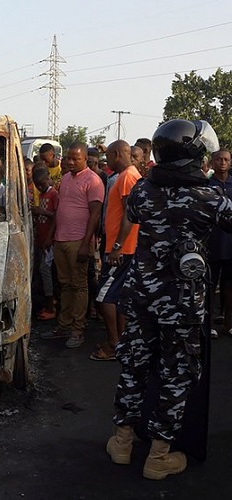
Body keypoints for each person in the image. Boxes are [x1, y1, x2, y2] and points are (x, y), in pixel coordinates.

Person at [106, 119, 232, 480]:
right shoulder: (210, 197)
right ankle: (159, 456)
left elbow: (133, 215)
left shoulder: (144, 192)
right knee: (176, 373)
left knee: (134, 365)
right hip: (182, 302)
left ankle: (123, 442)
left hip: (142, 295)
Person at [40, 142, 104, 348]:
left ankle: (78, 329)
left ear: (85, 159)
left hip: (79, 242)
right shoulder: (66, 179)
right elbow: (60, 210)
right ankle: (64, 325)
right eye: (68, 158)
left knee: (79, 286)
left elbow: (95, 214)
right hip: (61, 240)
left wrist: (87, 243)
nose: (70, 161)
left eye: (75, 158)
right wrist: (52, 235)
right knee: (65, 285)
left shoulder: (93, 181)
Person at [92, 141, 140, 361]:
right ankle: (122, 343)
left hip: (122, 250)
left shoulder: (128, 177)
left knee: (103, 297)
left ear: (117, 154)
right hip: (120, 248)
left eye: (109, 156)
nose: (107, 161)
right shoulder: (126, 176)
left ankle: (114, 344)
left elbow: (130, 216)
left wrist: (118, 247)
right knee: (119, 298)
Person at [208, 149, 232, 337]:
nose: (222, 162)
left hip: (230, 243)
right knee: (209, 285)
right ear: (212, 162)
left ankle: (229, 323)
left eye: (226, 159)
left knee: (229, 286)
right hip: (212, 243)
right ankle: (208, 324)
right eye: (219, 159)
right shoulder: (206, 185)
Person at [31, 167, 59, 321]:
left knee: (45, 272)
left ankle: (51, 307)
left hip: (50, 240)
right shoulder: (42, 195)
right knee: (44, 274)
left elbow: (56, 216)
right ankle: (50, 302)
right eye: (37, 185)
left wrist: (49, 237)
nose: (39, 187)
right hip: (43, 239)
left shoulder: (53, 194)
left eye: (41, 184)